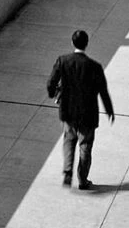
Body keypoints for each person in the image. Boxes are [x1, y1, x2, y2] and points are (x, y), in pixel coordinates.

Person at [46, 28, 114, 190]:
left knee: (69, 140)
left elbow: (51, 83)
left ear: (72, 42)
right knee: (85, 146)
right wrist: (109, 110)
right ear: (87, 44)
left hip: (68, 111)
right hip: (87, 114)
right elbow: (103, 91)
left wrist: (53, 93)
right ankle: (83, 180)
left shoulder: (63, 61)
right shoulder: (95, 67)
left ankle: (67, 171)